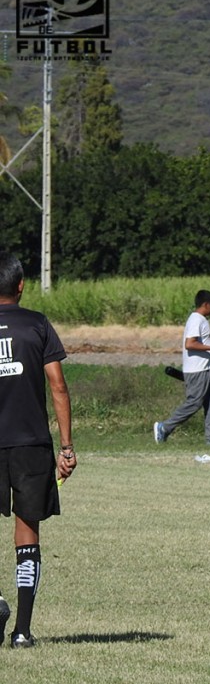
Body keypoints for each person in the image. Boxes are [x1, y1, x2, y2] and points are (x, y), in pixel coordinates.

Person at [0, 252, 76, 648]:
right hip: (31, 443)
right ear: (21, 285)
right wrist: (67, 447)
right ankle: (22, 631)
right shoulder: (38, 324)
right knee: (28, 527)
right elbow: (58, 386)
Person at [154, 290, 210, 444]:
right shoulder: (196, 320)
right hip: (197, 370)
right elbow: (190, 344)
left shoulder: (201, 320)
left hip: (207, 369)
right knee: (194, 403)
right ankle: (164, 427)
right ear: (206, 304)